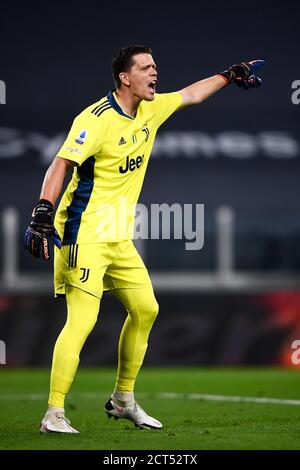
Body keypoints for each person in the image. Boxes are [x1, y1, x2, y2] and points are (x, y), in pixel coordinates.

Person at [24, 45, 265, 433]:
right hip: (83, 234)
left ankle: (123, 399)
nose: (155, 73)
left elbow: (191, 94)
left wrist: (229, 75)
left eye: (155, 66)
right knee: (82, 322)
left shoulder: (150, 109)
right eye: (146, 67)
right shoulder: (95, 119)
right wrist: (42, 212)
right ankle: (53, 413)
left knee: (146, 308)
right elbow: (60, 164)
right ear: (125, 77)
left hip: (118, 239)